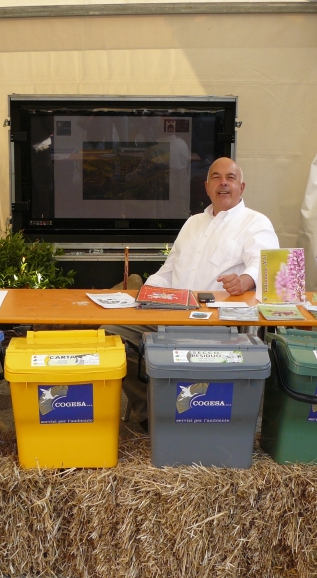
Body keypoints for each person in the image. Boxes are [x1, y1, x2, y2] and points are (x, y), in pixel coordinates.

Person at [106, 157, 279, 430]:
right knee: (110, 334)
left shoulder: (255, 223)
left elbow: (263, 264)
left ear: (241, 187)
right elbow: (169, 268)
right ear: (207, 186)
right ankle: (153, 413)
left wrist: (244, 281)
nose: (223, 183)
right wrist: (148, 291)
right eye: (216, 177)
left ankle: (175, 412)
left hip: (216, 324)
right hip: (170, 316)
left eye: (230, 178)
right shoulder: (193, 223)